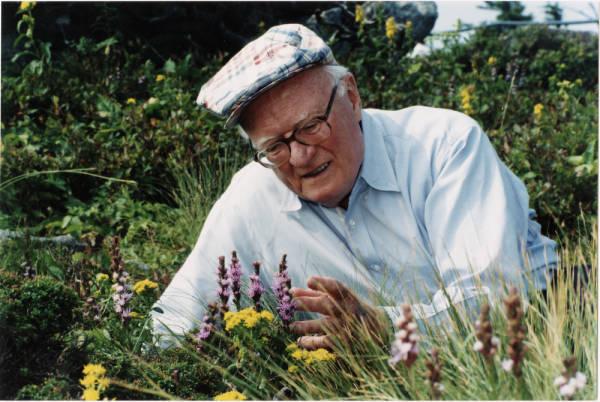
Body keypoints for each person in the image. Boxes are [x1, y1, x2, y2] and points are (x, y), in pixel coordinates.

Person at [151, 24, 558, 349]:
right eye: (275, 146)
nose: (299, 157)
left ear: (352, 96)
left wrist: (385, 328)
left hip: (539, 332)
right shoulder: (252, 193)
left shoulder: (444, 145)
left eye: (311, 126)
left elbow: (494, 299)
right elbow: (175, 321)